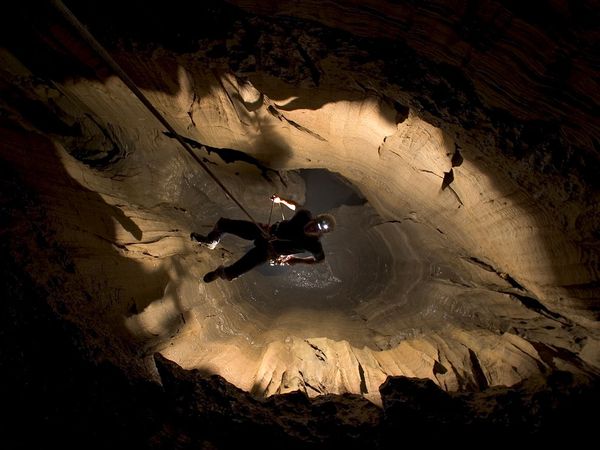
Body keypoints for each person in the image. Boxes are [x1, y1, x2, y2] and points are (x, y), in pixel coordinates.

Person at [191, 195, 336, 283]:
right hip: (265, 232)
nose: (313, 227)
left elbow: (320, 260)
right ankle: (211, 241)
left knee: (231, 274)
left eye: (318, 229)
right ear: (315, 219)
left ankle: (219, 272)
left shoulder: (314, 245)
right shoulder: (304, 215)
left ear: (321, 234)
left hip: (269, 250)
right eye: (315, 223)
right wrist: (281, 200)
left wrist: (297, 260)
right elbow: (296, 206)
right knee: (223, 224)